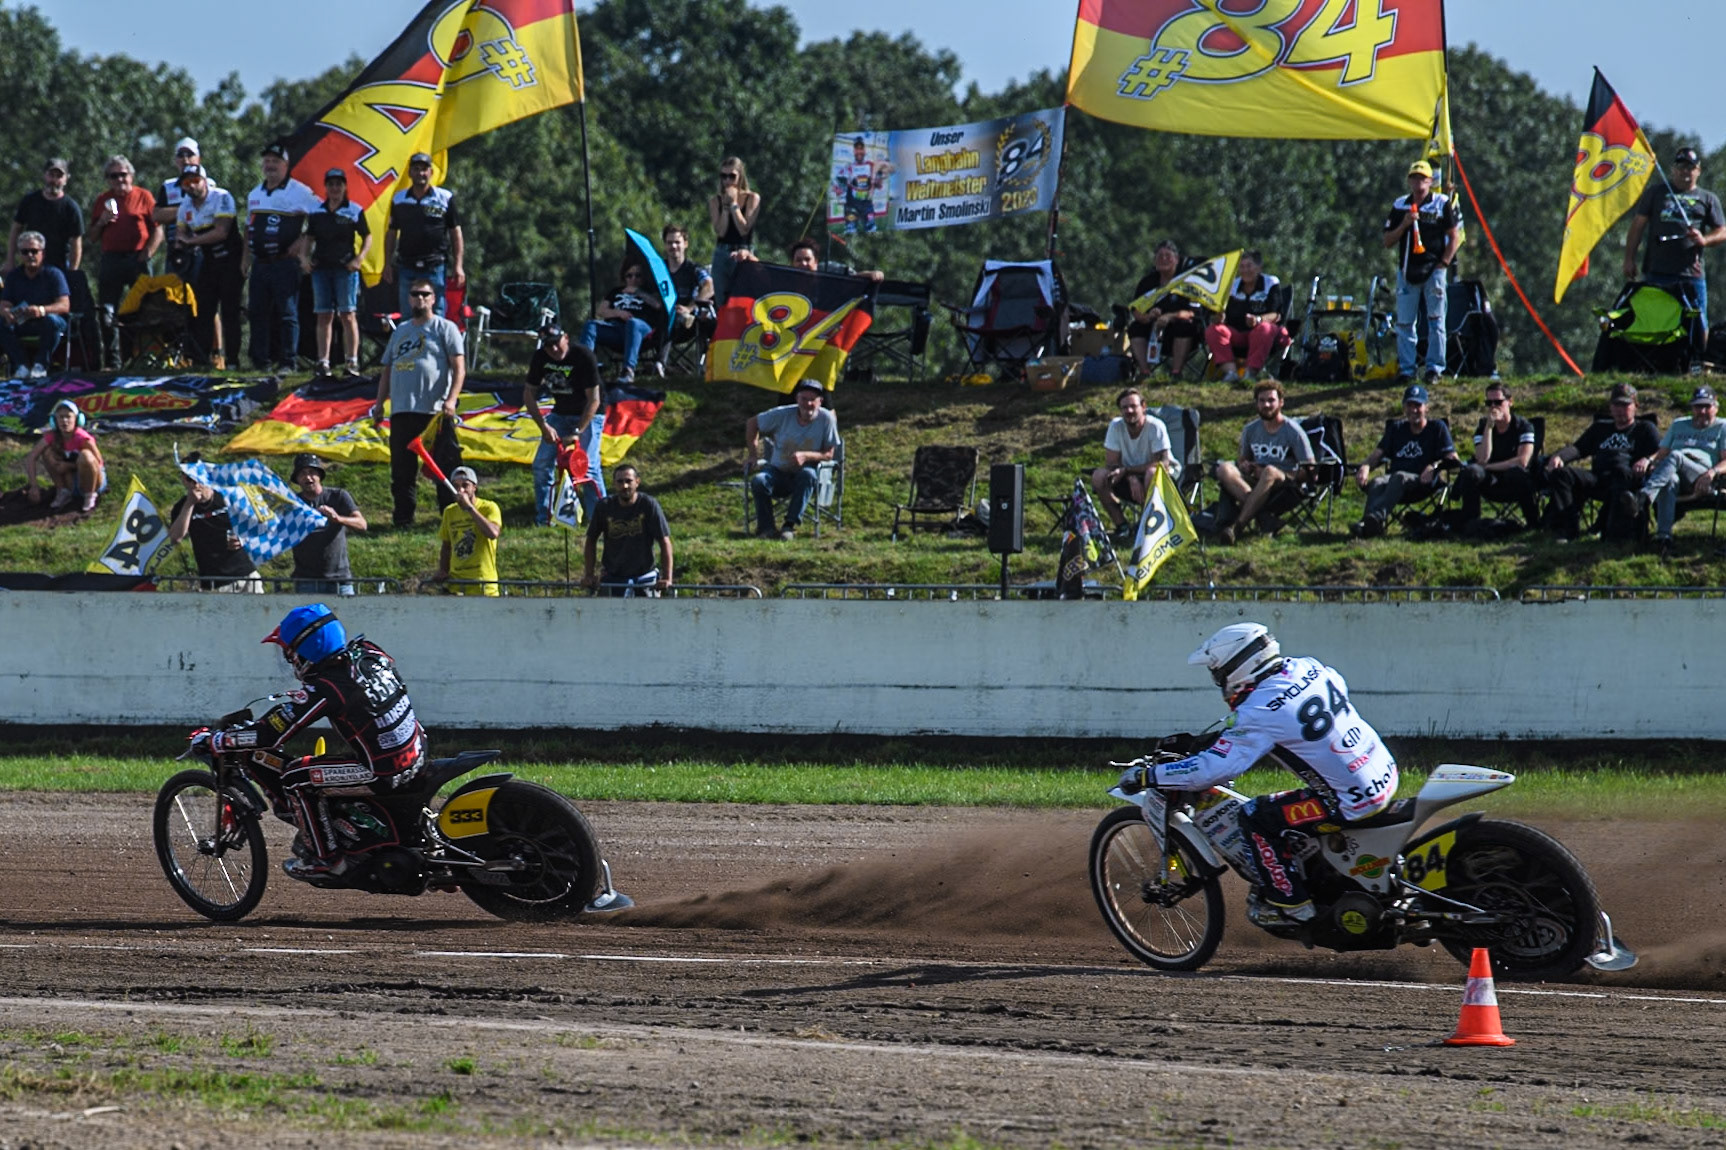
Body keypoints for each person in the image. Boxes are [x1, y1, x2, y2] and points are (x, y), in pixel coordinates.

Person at [1116, 622, 1398, 926]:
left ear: (1236, 667)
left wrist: (1150, 776)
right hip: (1385, 774)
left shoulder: (1259, 709)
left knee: (1255, 816)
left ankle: (1292, 906)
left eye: (1218, 673)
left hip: (1349, 800)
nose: (1218, 680)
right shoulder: (1309, 667)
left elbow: (1212, 769)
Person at [214, 603, 427, 880]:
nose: (290, 662)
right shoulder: (369, 653)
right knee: (328, 764)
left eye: (290, 654)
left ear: (305, 652)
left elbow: (271, 735)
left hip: (384, 771)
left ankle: (328, 861)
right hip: (417, 752)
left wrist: (220, 740)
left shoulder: (328, 687)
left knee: (295, 777)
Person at [373, 277, 467, 527]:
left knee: (445, 466)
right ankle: (403, 518)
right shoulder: (401, 331)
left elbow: (459, 368)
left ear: (434, 299)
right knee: (401, 470)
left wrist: (451, 400)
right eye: (415, 294)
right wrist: (379, 404)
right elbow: (387, 370)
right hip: (402, 410)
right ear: (409, 298)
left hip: (435, 411)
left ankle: (450, 516)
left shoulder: (445, 328)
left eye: (425, 294)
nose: (420, 298)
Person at [1623, 146, 1726, 371]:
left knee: (1699, 320)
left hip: (1691, 273)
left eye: (1690, 168)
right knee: (1653, 318)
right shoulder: (1656, 193)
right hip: (1657, 270)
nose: (1685, 172)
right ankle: (1651, 363)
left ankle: (1699, 364)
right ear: (1673, 170)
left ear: (1698, 170)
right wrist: (1629, 258)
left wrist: (1704, 240)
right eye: (1680, 167)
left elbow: (1722, 231)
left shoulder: (1707, 199)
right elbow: (1638, 226)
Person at [1544, 382, 1662, 542]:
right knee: (1562, 474)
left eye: (1625, 405)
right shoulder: (1600, 428)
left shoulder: (1645, 428)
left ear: (1636, 406)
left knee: (1621, 470)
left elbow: (1661, 451)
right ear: (1610, 407)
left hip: (1626, 481)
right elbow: (1578, 448)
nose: (1620, 410)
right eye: (1616, 405)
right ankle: (1567, 530)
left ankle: (1607, 526)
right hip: (1598, 478)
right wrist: (1559, 457)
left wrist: (1647, 460)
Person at [1382, 159, 1462, 384]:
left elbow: (1453, 235)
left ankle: (1434, 368)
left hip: (1433, 269)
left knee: (1436, 319)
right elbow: (1387, 240)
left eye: (1423, 179)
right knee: (1405, 322)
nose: (1419, 184)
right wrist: (1404, 224)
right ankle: (1407, 369)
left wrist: (1444, 262)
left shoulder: (1440, 203)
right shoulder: (1400, 205)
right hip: (1408, 270)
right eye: (1415, 178)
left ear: (1430, 181)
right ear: (1409, 181)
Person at [243, 143, 319, 374]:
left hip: (285, 261)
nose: (270, 166)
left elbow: (321, 215)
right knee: (257, 311)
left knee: (287, 312)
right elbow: (249, 228)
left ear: (286, 165)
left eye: (275, 161)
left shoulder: (299, 191)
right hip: (261, 262)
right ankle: (260, 361)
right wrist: (245, 259)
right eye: (267, 161)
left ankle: (289, 361)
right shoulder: (255, 193)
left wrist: (304, 241)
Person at [1627, 385, 1726, 556]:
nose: (1702, 411)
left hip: (1702, 475)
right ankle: (1664, 538)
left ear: (1715, 407)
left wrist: (1712, 473)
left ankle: (1643, 498)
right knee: (1670, 479)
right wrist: (1649, 459)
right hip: (1674, 472)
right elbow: (1662, 452)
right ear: (1691, 408)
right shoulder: (1679, 424)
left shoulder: (1723, 426)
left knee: (1676, 456)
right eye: (1697, 406)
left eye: (1706, 406)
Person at [1210, 380, 1312, 544]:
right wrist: (1245, 465)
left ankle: (1237, 527)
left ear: (1281, 402)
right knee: (1224, 468)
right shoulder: (1250, 429)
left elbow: (1310, 470)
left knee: (1270, 471)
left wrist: (1272, 473)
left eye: (1271, 400)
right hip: (1255, 479)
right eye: (1262, 400)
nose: (1266, 405)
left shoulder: (1293, 432)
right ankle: (1264, 517)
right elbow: (1243, 458)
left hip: (1285, 483)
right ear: (1256, 403)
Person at [85, 154, 161, 371]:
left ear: (131, 176)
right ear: (108, 179)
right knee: (108, 312)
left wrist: (148, 252)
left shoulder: (143, 196)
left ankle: (146, 357)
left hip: (137, 258)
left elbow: (158, 229)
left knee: (145, 310)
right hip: (112, 259)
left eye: (123, 175)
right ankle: (113, 361)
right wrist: (102, 221)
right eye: (113, 176)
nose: (119, 180)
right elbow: (91, 237)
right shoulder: (103, 200)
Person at [524, 323, 606, 525]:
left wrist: (579, 431)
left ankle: (600, 518)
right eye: (547, 345)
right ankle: (545, 517)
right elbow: (528, 393)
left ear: (566, 338)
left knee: (587, 466)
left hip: (589, 413)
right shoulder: (540, 357)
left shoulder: (583, 356)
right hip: (560, 413)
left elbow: (594, 400)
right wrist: (544, 427)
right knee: (542, 463)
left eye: (556, 343)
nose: (553, 349)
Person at [1352, 382, 1458, 538]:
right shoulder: (1396, 428)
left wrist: (1435, 466)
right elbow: (1378, 454)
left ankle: (1375, 519)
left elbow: (1453, 459)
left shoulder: (1437, 428)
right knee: (1377, 482)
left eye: (1418, 405)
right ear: (1404, 407)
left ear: (1426, 407)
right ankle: (1368, 526)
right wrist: (1366, 466)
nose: (1413, 410)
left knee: (1399, 476)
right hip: (1394, 485)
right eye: (1409, 405)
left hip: (1422, 483)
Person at [745, 378, 839, 540]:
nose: (808, 404)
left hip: (805, 476)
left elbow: (829, 454)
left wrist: (806, 456)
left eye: (812, 400)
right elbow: (752, 423)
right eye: (804, 399)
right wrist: (753, 454)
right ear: (797, 399)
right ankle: (766, 528)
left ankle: (789, 526)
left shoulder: (826, 419)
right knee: (759, 480)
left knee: (808, 475)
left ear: (820, 401)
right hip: (777, 471)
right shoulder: (782, 414)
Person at [303, 167, 372, 378]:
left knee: (348, 314)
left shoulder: (354, 210)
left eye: (338, 184)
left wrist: (359, 259)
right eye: (331, 184)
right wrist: (304, 258)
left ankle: (352, 361)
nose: (335, 188)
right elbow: (309, 237)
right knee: (324, 314)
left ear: (344, 186)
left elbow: (367, 236)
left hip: (345, 269)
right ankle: (323, 362)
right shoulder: (317, 212)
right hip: (321, 268)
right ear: (326, 187)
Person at [1443, 382, 1537, 533]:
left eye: (1498, 402)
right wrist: (1489, 427)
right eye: (1489, 403)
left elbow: (1522, 461)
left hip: (1513, 481)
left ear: (1510, 402)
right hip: (1489, 481)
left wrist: (1490, 467)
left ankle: (1533, 524)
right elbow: (1482, 460)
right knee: (1471, 471)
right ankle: (1471, 523)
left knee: (1517, 473)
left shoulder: (1523, 426)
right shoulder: (1483, 427)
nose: (1494, 407)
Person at [172, 164, 241, 370]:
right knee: (202, 310)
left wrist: (191, 241)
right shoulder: (185, 207)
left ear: (204, 180)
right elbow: (179, 236)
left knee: (230, 311)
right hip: (209, 260)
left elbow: (221, 232)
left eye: (195, 181)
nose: (191, 186)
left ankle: (232, 360)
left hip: (230, 259)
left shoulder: (221, 197)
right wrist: (182, 243)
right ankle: (201, 359)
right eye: (186, 183)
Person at [382, 152, 464, 317]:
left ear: (431, 172)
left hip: (435, 265)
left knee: (437, 314)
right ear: (410, 173)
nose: (421, 173)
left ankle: (435, 344)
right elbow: (391, 233)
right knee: (408, 315)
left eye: (424, 169)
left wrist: (458, 265)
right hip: (407, 264)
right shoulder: (399, 200)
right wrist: (387, 263)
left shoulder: (445, 198)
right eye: (416, 169)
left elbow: (455, 232)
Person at [1090, 386, 1176, 541]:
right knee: (1098, 476)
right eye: (1124, 408)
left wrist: (1128, 472)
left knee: (1151, 473)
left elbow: (1161, 463)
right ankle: (1122, 526)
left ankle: (1147, 527)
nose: (1129, 411)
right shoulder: (1115, 427)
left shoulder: (1156, 426)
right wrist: (1130, 477)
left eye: (1133, 406)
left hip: (1162, 478)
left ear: (1143, 407)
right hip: (1127, 475)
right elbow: (1111, 464)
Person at [167, 456, 263, 592]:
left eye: (197, 478)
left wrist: (243, 539)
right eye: (189, 479)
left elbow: (258, 524)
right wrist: (190, 503)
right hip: (213, 581)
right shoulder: (181, 507)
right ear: (183, 480)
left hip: (244, 574)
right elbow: (175, 538)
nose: (195, 484)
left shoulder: (227, 496)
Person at [583, 463, 673, 596]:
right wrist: (589, 575)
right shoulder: (604, 507)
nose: (624, 486)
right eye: (620, 482)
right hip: (613, 577)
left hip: (644, 576)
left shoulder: (648, 505)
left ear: (637, 482)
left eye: (628, 481)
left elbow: (664, 541)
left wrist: (667, 578)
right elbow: (591, 541)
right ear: (614, 484)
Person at [1201, 250, 1289, 384]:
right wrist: (1219, 317)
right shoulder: (1234, 285)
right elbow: (1222, 313)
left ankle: (1250, 373)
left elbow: (1276, 314)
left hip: (1262, 334)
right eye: (1242, 267)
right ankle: (1231, 373)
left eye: (1249, 266)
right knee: (1214, 330)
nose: (1245, 270)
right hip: (1236, 333)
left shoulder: (1270, 283)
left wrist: (1258, 320)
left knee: (1264, 328)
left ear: (1259, 268)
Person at [289, 453, 366, 595]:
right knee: (309, 618)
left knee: (344, 618)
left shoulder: (338, 496)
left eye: (312, 472)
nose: (308, 478)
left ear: (319, 475)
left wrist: (338, 519)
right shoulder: (292, 503)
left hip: (340, 579)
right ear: (297, 479)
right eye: (302, 474)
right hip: (306, 581)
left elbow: (362, 524)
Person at [578, 262, 664, 385]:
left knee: (633, 323)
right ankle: (584, 369)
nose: (633, 279)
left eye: (637, 276)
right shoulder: (616, 292)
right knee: (590, 326)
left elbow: (658, 305)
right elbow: (601, 311)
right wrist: (618, 313)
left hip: (642, 330)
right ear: (624, 277)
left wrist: (638, 292)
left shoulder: (649, 291)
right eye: (629, 276)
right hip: (617, 329)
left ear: (643, 277)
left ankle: (628, 371)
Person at [1125, 240, 1200, 377]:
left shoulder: (1186, 282)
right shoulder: (1148, 282)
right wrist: (1148, 317)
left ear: (1176, 259)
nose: (1163, 259)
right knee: (1135, 328)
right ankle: (1144, 372)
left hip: (1178, 331)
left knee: (1185, 327)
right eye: (1160, 256)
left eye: (1168, 256)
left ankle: (1176, 373)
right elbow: (1136, 310)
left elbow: (1192, 312)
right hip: (1153, 332)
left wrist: (1170, 316)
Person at [0, 231, 70, 378]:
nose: (30, 255)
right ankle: (20, 366)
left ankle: (41, 365)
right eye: (25, 252)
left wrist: (42, 310)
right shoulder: (14, 276)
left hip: (48, 322)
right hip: (22, 323)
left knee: (51, 321)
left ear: (42, 253)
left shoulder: (54, 274)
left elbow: (64, 305)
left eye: (34, 251)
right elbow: (5, 303)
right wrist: (7, 312)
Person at [22, 398, 104, 512]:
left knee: (86, 455)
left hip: (92, 481)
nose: (64, 421)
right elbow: (31, 457)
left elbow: (99, 463)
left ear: (77, 419)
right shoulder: (52, 436)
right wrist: (34, 486)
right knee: (47, 453)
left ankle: (90, 495)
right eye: (61, 417)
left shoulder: (84, 438)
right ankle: (63, 492)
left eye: (68, 417)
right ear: (55, 421)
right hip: (70, 481)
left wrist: (70, 466)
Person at [432, 466, 501, 597]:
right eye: (456, 486)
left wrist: (469, 508)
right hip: (457, 585)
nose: (461, 490)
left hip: (483, 585)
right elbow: (446, 546)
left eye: (465, 485)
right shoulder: (449, 512)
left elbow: (493, 533)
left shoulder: (489, 507)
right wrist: (443, 570)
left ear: (474, 487)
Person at [7, 157, 82, 275]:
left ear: (66, 179)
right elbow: (16, 229)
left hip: (59, 265)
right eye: (51, 175)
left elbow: (76, 243)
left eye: (59, 176)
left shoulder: (71, 208)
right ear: (44, 175)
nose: (54, 180)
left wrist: (73, 272)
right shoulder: (30, 201)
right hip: (30, 263)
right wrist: (10, 261)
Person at [707, 156, 760, 302]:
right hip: (722, 251)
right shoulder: (715, 201)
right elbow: (721, 231)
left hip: (743, 251)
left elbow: (744, 229)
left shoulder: (752, 198)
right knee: (722, 301)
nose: (727, 181)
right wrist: (725, 207)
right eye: (724, 176)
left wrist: (735, 205)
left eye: (732, 176)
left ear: (740, 176)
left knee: (744, 299)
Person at [153, 137, 207, 254]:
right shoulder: (168, 186)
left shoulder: (208, 183)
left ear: (198, 158)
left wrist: (172, 213)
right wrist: (187, 209)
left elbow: (208, 212)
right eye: (180, 155)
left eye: (190, 154)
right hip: (176, 248)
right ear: (175, 160)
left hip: (202, 247)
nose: (185, 159)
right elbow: (157, 215)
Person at [661, 223, 714, 338]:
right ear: (665, 245)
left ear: (685, 244)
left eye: (677, 242)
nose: (673, 246)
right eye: (669, 243)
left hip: (689, 321)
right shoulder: (659, 269)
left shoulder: (694, 269)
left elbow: (709, 286)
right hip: (662, 317)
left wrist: (690, 308)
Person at [835, 136, 886, 236]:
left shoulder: (871, 166)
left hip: (867, 205)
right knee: (850, 230)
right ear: (854, 151)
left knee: (872, 230)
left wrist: (877, 179)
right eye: (857, 149)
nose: (859, 152)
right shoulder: (849, 167)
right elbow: (838, 184)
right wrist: (840, 190)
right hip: (852, 205)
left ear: (865, 150)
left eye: (861, 148)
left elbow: (879, 185)